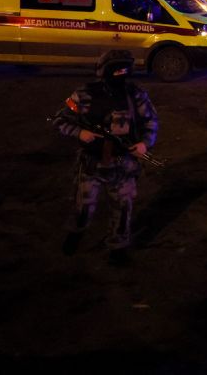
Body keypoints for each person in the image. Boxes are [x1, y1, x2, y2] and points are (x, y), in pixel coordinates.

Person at [52, 50, 160, 264]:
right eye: (116, 69)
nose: (120, 74)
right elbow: (59, 120)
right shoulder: (84, 94)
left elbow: (151, 122)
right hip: (92, 163)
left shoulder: (135, 94)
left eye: (123, 70)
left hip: (124, 164)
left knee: (123, 209)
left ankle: (117, 247)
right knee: (83, 207)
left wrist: (144, 144)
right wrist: (80, 133)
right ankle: (76, 233)